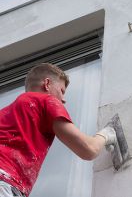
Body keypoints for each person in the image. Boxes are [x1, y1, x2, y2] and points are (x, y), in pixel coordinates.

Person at [0, 63, 116, 197]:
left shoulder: (5, 114)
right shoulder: (45, 100)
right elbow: (88, 149)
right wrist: (106, 135)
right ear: (47, 84)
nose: (63, 99)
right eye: (61, 91)